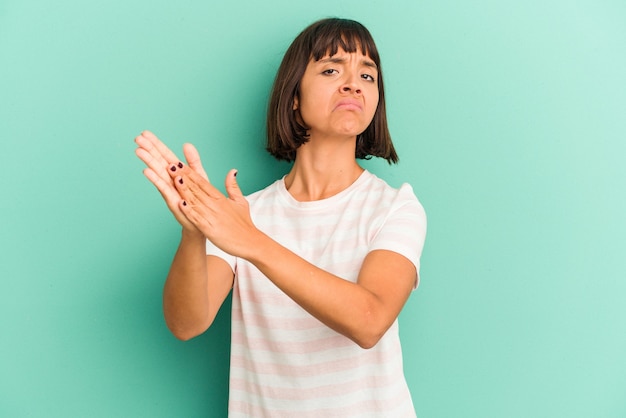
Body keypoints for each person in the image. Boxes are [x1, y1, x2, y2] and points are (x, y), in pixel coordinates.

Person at [135, 17, 426, 417]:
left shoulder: (395, 207)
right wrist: (195, 231)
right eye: (330, 69)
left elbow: (369, 320)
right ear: (293, 97)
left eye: (367, 74)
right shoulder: (245, 214)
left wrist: (251, 241)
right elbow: (187, 322)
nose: (352, 83)